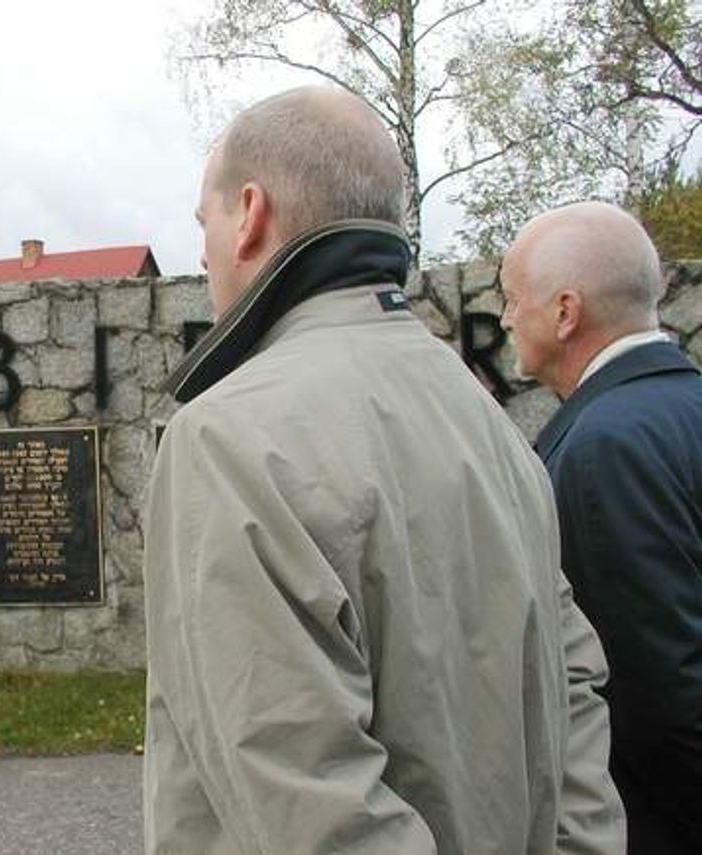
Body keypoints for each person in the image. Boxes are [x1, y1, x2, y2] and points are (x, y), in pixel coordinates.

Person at [141, 86, 625, 854]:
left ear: (252, 215)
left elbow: (307, 807)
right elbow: (575, 688)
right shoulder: (488, 422)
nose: (202, 252)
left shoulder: (226, 438)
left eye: (207, 220)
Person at [501, 201, 702, 853]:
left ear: (565, 312)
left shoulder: (603, 451)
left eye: (512, 298)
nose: (504, 318)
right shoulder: (683, 406)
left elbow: (656, 690)